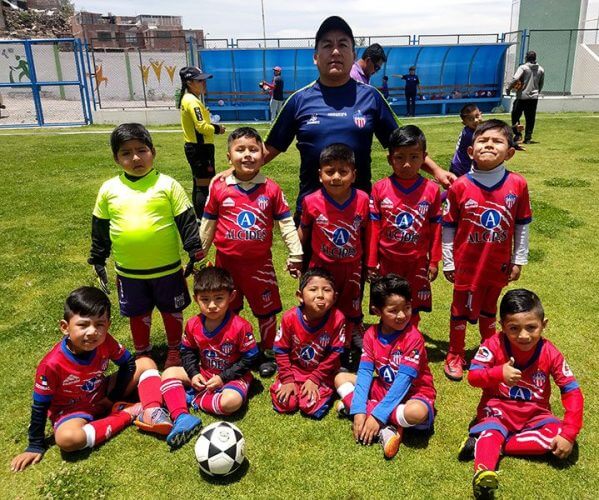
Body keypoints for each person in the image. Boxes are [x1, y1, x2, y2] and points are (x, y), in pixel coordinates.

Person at [260, 15, 455, 219]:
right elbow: (270, 147)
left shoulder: (371, 97)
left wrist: (437, 171)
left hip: (359, 215)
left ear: (353, 56)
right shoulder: (299, 100)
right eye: (327, 45)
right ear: (316, 57)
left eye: (343, 45)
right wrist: (233, 172)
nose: (335, 51)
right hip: (313, 216)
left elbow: (403, 144)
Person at [88, 123, 205, 370]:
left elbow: (185, 219)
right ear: (116, 158)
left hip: (167, 269)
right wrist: (98, 257)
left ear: (153, 151)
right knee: (137, 313)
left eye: (141, 150)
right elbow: (100, 227)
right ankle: (143, 352)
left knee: (172, 310)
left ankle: (175, 348)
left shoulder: (168, 185)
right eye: (126, 153)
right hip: (130, 272)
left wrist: (194, 249)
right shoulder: (110, 189)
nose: (135, 158)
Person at [10, 287, 151, 472]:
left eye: (99, 324)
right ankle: (127, 413)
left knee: (146, 363)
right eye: (83, 325)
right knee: (67, 439)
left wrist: (112, 396)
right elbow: (40, 405)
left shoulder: (106, 340)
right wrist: (35, 444)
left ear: (108, 325)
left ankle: (154, 408)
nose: (92, 332)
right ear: (65, 327)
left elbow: (128, 365)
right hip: (71, 412)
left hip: (102, 394)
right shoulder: (51, 364)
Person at [460, 289, 584, 499]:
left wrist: (568, 434)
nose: (523, 335)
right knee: (494, 430)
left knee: (557, 436)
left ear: (544, 324)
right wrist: (499, 373)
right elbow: (473, 376)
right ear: (502, 326)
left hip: (535, 415)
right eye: (514, 328)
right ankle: (483, 473)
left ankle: (487, 443)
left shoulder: (550, 352)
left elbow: (572, 391)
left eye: (531, 327)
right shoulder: (493, 344)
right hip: (497, 410)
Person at [200, 127, 303, 378]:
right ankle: (231, 350)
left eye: (253, 149)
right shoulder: (219, 188)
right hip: (226, 266)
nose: (247, 155)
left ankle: (268, 352)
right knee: (227, 309)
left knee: (266, 311)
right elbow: (208, 224)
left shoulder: (271, 189)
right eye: (240, 150)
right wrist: (198, 255)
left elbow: (287, 224)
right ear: (228, 157)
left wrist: (296, 254)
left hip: (260, 266)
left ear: (263, 153)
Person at [442, 119, 532, 382]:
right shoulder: (459, 186)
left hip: (498, 263)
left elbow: (522, 225)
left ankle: (490, 350)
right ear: (471, 151)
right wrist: (448, 261)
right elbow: (448, 228)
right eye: (482, 141)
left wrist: (519, 259)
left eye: (497, 141)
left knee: (490, 308)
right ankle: (455, 353)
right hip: (466, 264)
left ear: (510, 152)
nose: (489, 145)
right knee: (459, 308)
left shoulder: (518, 184)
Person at [334, 274, 436, 460]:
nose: (402, 315)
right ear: (377, 311)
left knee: (417, 413)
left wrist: (377, 416)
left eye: (407, 308)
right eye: (393, 310)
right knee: (340, 378)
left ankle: (374, 414)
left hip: (413, 394)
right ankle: (383, 421)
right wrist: (358, 411)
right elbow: (365, 372)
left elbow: (404, 382)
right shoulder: (371, 334)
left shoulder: (413, 338)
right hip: (383, 387)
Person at [159, 267, 260, 447]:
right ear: (196, 298)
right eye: (205, 299)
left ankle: (193, 398)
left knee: (231, 403)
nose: (212, 305)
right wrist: (193, 373)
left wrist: (223, 378)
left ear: (232, 296)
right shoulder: (193, 324)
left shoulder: (241, 326)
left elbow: (250, 358)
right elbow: (187, 351)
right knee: (168, 373)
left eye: (219, 298)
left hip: (233, 377)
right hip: (205, 373)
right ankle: (181, 416)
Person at [298, 143, 369, 367]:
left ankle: (351, 340)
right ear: (320, 175)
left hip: (352, 266)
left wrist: (371, 262)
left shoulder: (363, 200)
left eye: (343, 171)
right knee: (320, 303)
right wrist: (296, 257)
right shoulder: (311, 201)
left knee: (351, 304)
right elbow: (304, 232)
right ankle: (321, 339)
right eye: (330, 172)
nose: (336, 177)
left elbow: (368, 234)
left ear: (353, 174)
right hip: (321, 268)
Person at [368, 126, 441, 328]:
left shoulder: (432, 190)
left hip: (416, 261)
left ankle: (411, 337)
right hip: (387, 260)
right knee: (387, 301)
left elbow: (436, 228)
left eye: (414, 157)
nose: (407, 164)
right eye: (399, 158)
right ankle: (386, 340)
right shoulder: (380, 188)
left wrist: (434, 260)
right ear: (390, 158)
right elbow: (374, 227)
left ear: (424, 157)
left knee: (413, 303)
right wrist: (372, 260)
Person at [270, 268, 346, 419]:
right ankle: (289, 384)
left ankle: (327, 390)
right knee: (285, 402)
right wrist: (287, 379)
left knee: (309, 406)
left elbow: (334, 354)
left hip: (322, 372)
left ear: (335, 297)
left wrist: (315, 378)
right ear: (300, 296)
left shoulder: (338, 319)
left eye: (326, 290)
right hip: (294, 369)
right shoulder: (289, 318)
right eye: (313, 289)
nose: (320, 295)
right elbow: (280, 350)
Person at [178, 66, 226, 218]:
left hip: (198, 147)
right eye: (199, 81)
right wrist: (218, 129)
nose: (203, 83)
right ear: (189, 82)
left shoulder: (190, 99)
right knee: (204, 185)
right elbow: (202, 127)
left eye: (204, 80)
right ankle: (204, 217)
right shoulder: (192, 101)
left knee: (199, 183)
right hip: (200, 148)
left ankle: (202, 215)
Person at [506, 51, 544, 145]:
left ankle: (517, 134)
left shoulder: (523, 68)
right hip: (534, 97)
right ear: (535, 58)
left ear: (526, 58)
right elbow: (541, 83)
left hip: (522, 96)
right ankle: (528, 138)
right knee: (530, 118)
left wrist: (508, 88)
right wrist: (537, 92)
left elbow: (515, 79)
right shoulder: (541, 69)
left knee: (515, 114)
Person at [450, 104, 482, 178]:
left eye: (477, 116)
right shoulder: (469, 135)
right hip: (461, 166)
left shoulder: (472, 129)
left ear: (481, 114)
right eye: (470, 119)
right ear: (464, 123)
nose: (476, 121)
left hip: (462, 164)